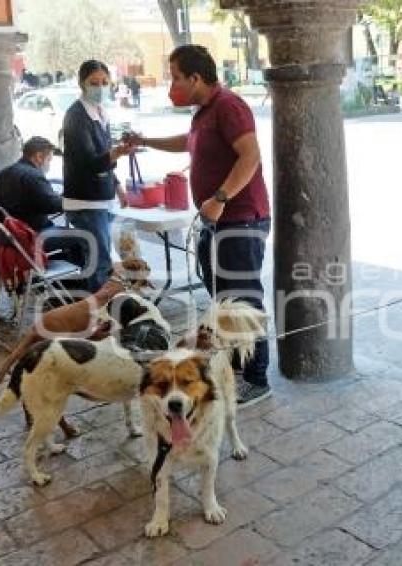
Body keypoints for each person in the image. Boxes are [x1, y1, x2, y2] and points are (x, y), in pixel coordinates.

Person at [126, 45, 272, 406]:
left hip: (239, 219)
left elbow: (250, 156)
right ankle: (237, 364)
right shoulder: (203, 112)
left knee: (244, 300)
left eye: (176, 76)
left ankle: (257, 377)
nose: (171, 83)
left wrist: (220, 198)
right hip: (215, 221)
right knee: (222, 297)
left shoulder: (229, 106)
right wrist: (145, 142)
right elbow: (188, 144)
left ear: (195, 77)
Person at [62, 60, 131, 291]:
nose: (100, 87)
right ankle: (98, 314)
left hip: (102, 198)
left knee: (101, 256)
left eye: (104, 82)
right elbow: (88, 162)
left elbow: (104, 158)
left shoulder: (101, 113)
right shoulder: (76, 116)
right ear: (82, 83)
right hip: (85, 202)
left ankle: (99, 310)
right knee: (99, 261)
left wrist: (118, 186)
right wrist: (117, 152)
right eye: (94, 83)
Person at [0, 137, 87, 269]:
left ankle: (55, 273)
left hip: (11, 236)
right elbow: (52, 204)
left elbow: (40, 200)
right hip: (30, 236)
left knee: (64, 233)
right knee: (84, 237)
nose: (49, 164)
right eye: (49, 159)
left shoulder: (3, 173)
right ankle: (77, 282)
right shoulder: (33, 176)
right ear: (39, 157)